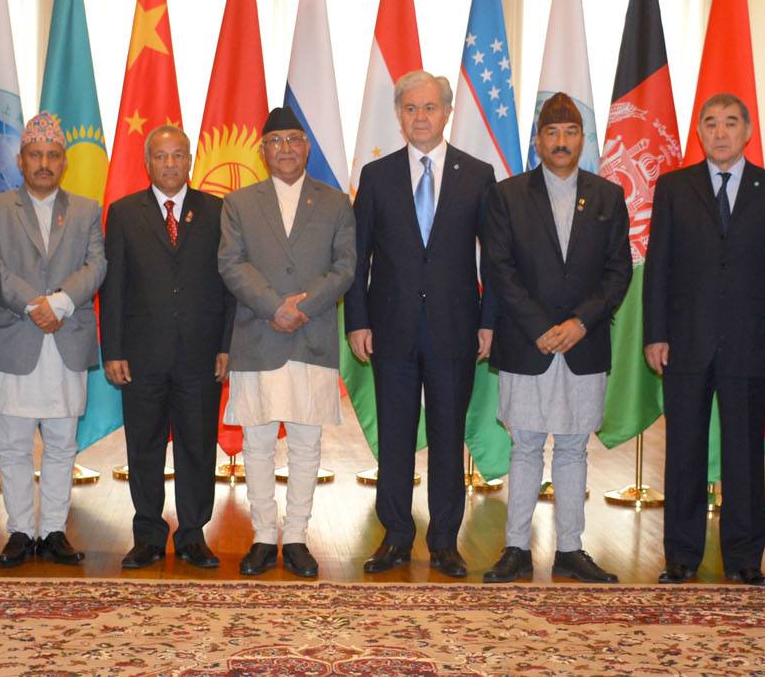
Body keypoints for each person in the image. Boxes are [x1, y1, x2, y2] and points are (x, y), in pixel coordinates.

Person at [345, 71, 495, 579]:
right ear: (399, 115)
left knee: (449, 438)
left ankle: (446, 541)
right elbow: (357, 256)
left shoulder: (477, 174)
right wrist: (357, 321)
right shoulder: (376, 175)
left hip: (457, 326)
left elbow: (493, 259)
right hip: (391, 328)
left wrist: (490, 321)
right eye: (411, 108)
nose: (421, 117)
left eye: (430, 108)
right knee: (396, 438)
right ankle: (396, 536)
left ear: (447, 113)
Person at [643, 92, 765, 586]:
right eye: (711, 123)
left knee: (744, 453)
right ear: (700, 132)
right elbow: (659, 267)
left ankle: (745, 558)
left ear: (747, 131)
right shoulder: (674, 186)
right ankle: (681, 556)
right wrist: (655, 334)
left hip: (750, 342)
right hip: (684, 341)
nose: (721, 132)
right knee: (684, 450)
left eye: (731, 123)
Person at [480, 93, 630, 584]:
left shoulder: (608, 195)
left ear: (582, 140)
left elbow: (617, 272)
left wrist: (580, 322)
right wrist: (540, 326)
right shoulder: (507, 195)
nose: (561, 142)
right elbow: (498, 269)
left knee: (571, 447)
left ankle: (570, 549)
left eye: (570, 133)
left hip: (584, 344)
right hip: (528, 342)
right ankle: (516, 548)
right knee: (524, 446)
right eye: (552, 133)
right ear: (538, 141)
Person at [218, 107, 355, 578]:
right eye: (276, 142)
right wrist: (273, 305)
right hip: (258, 334)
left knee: (305, 442)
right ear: (263, 150)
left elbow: (345, 267)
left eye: (295, 140)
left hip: (311, 337)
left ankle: (295, 536)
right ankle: (261, 536)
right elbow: (231, 264)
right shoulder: (238, 203)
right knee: (256, 442)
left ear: (307, 146)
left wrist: (302, 307)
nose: (287, 149)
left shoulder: (336, 202)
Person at [101, 125, 234, 570]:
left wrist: (226, 345)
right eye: (162, 156)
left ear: (190, 159)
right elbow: (113, 285)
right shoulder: (123, 213)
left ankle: (194, 535)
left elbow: (229, 284)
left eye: (178, 155)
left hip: (201, 352)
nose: (171, 164)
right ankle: (148, 535)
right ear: (148, 162)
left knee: (198, 445)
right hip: (141, 354)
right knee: (144, 446)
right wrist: (113, 349)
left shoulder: (216, 210)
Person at [0, 111, 106, 569]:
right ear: (21, 159)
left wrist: (61, 304)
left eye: (53, 155)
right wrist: (37, 305)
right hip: (16, 336)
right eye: (36, 155)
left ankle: (52, 529)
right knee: (11, 444)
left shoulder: (88, 210)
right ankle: (18, 530)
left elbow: (96, 266)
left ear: (64, 162)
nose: (44, 164)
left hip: (66, 339)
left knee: (61, 444)